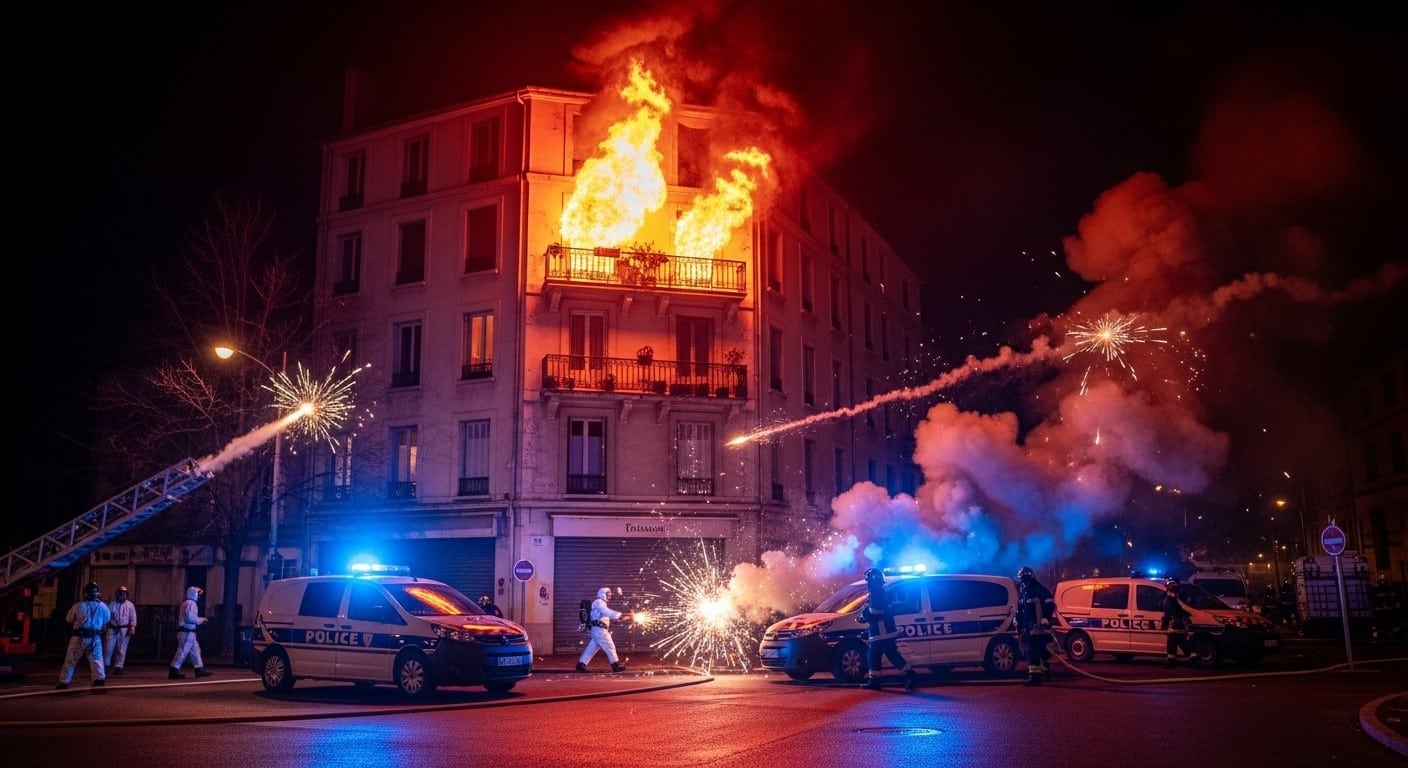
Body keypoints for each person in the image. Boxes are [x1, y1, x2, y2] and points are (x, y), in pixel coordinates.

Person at [858, 567, 917, 690]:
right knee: (879, 656)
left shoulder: (877, 593)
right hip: (881, 632)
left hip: (882, 632)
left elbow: (877, 612)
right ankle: (877, 681)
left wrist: (864, 615)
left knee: (876, 655)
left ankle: (908, 675)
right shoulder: (879, 592)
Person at [58, 582, 111, 690]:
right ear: (97, 593)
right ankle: (99, 682)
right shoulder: (103, 607)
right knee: (96, 659)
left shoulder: (78, 606)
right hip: (94, 637)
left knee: (71, 659)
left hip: (79, 636)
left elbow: (69, 619)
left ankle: (64, 682)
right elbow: (107, 619)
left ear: (85, 593)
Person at [576, 587, 632, 673]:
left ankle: (581, 664)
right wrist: (623, 614)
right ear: (602, 594)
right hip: (600, 630)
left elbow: (605, 617)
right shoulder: (599, 602)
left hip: (598, 629)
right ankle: (615, 666)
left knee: (592, 648)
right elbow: (607, 612)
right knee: (610, 646)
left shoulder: (601, 604)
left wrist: (628, 617)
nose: (609, 597)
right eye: (608, 595)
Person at [1016, 566, 1055, 686]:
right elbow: (1021, 611)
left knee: (1035, 651)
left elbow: (1049, 605)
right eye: (1021, 580)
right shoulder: (1024, 594)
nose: (1022, 582)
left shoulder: (1039, 590)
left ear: (1030, 578)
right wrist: (1019, 625)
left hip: (1040, 628)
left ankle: (1035, 677)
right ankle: (1043, 672)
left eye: (1024, 579)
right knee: (1037, 652)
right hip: (1029, 629)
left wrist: (1045, 619)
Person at [169, 586, 213, 680]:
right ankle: (174, 670)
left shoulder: (187, 603)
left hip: (189, 632)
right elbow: (190, 618)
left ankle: (199, 669)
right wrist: (202, 620)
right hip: (187, 632)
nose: (199, 596)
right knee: (182, 651)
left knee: (196, 651)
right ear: (194, 594)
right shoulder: (191, 603)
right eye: (198, 594)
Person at [103, 585, 138, 676]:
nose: (122, 595)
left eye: (124, 594)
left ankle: (118, 667)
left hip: (124, 629)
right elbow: (107, 617)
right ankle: (105, 666)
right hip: (112, 629)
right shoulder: (112, 604)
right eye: (121, 593)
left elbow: (133, 617)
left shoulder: (130, 605)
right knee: (108, 648)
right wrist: (105, 627)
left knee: (121, 649)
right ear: (117, 594)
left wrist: (133, 627)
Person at [1161, 576, 1193, 668]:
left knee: (1174, 643)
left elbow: (1169, 610)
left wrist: (1166, 622)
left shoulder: (1173, 597)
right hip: (1178, 623)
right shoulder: (1177, 595)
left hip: (1176, 623)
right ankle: (1172, 662)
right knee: (1178, 643)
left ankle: (1172, 662)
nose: (1169, 585)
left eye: (1171, 583)